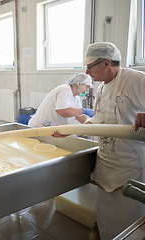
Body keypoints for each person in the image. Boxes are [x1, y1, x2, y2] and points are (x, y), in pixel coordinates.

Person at [54, 42, 145, 240]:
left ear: (106, 63)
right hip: (106, 163)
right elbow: (98, 122)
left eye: (89, 67)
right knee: (106, 214)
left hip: (129, 166)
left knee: (127, 218)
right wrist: (71, 130)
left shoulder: (134, 80)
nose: (87, 72)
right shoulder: (102, 88)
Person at [28, 73, 94, 127]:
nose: (87, 90)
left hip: (52, 128)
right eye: (87, 86)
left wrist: (93, 123)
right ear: (79, 84)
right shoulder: (64, 90)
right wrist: (84, 111)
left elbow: (80, 117)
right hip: (40, 126)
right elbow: (62, 111)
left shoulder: (76, 98)